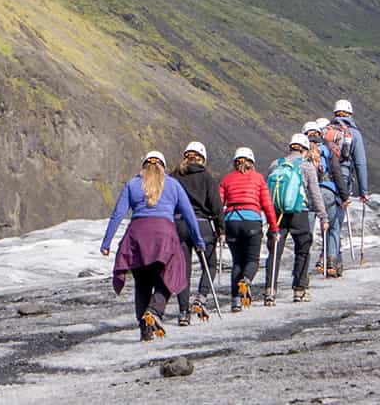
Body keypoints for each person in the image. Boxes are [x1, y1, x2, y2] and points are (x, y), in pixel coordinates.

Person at [101, 151, 207, 340]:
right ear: (164, 167)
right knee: (171, 275)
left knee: (142, 285)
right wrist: (198, 241)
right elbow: (189, 215)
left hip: (137, 236)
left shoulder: (133, 184)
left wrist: (106, 242)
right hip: (164, 236)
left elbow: (118, 213)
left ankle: (145, 332)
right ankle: (154, 311)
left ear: (143, 166)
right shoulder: (173, 184)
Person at [265, 133, 326, 302]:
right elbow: (314, 194)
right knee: (302, 249)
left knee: (275, 252)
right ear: (305, 149)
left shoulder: (275, 165)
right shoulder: (306, 166)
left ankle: (270, 290)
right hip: (299, 212)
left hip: (277, 214)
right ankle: (300, 289)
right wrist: (323, 216)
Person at [170, 141, 224, 324]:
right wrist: (221, 228)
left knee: (182, 270)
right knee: (210, 264)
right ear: (202, 158)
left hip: (179, 224)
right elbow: (216, 205)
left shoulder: (174, 176)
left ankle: (183, 312)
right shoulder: (206, 177)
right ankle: (201, 298)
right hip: (202, 225)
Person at [217, 146, 276, 311]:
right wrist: (274, 227)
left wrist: (219, 229)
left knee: (237, 261)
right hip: (251, 221)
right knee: (252, 260)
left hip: (231, 221)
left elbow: (218, 205)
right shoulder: (258, 178)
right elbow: (267, 204)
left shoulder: (227, 179)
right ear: (252, 162)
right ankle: (246, 281)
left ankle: (235, 300)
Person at [327, 100, 371, 269]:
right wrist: (363, 190)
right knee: (337, 219)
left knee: (327, 219)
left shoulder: (326, 131)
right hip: (343, 179)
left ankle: (329, 256)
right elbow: (360, 163)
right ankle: (333, 260)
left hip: (324, 179)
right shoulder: (353, 134)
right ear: (350, 114)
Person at [306, 119, 349, 277]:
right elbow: (337, 174)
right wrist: (344, 197)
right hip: (327, 192)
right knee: (333, 227)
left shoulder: (302, 153)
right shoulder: (328, 150)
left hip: (309, 195)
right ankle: (331, 261)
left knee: (307, 233)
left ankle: (303, 265)